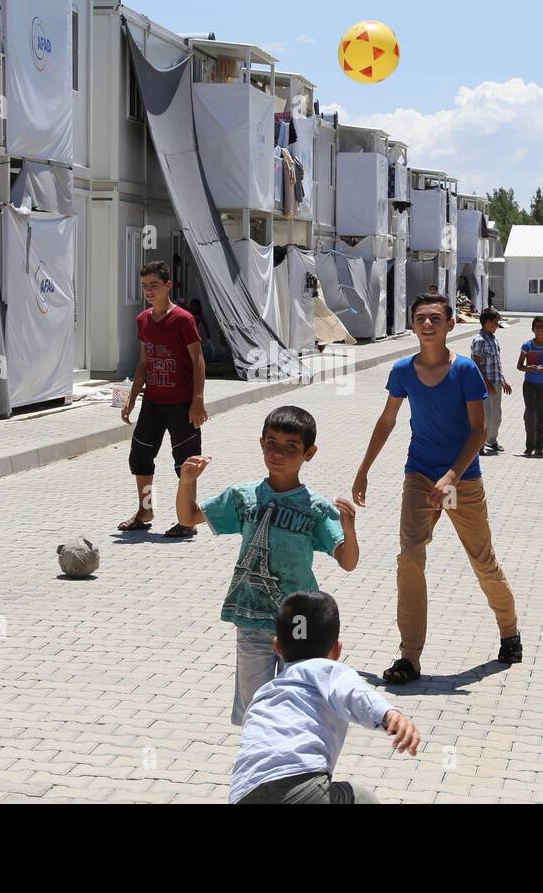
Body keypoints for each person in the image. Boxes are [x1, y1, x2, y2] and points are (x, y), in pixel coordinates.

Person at [352, 292, 522, 684]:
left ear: (450, 325)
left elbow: (479, 430)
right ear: (412, 325)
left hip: (461, 481)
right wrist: (363, 471)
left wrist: (451, 476)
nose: (427, 325)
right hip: (419, 477)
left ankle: (509, 630)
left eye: (435, 319)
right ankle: (409, 657)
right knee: (410, 558)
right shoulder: (402, 371)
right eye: (420, 318)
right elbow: (386, 422)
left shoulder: (465, 371)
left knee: (481, 559)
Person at [176, 406, 358, 723]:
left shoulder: (316, 508)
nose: (278, 452)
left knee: (299, 703)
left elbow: (347, 561)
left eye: (291, 446)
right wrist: (187, 480)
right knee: (255, 707)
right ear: (261, 444)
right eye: (272, 442)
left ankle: (299, 764)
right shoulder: (243, 496)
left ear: (309, 453)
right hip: (251, 617)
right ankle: (259, 764)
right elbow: (187, 517)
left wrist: (350, 529)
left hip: (300, 623)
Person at [230, 591, 420, 804]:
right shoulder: (329, 671)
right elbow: (354, 693)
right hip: (303, 786)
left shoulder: (263, 695)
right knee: (362, 799)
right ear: (337, 650)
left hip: (244, 794)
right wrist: (387, 714)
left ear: (278, 647)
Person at [119, 261, 208, 538]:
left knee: (186, 462)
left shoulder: (183, 319)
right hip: (153, 404)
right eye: (144, 286)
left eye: (154, 285)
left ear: (168, 285)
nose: (148, 291)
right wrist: (131, 398)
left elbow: (198, 360)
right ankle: (145, 511)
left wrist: (198, 400)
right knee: (140, 457)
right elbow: (144, 362)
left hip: (181, 405)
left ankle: (188, 519)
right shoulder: (143, 320)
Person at [471, 307, 511, 455]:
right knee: (485, 415)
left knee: (496, 415)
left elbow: (497, 363)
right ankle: (479, 444)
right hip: (483, 384)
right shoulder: (479, 340)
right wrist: (487, 385)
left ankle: (491, 440)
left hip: (496, 383)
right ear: (487, 322)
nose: (497, 326)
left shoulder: (493, 339)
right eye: (495, 323)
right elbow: (477, 365)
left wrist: (503, 381)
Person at [517, 315, 543, 457]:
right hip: (529, 385)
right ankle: (529, 446)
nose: (540, 330)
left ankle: (539, 448)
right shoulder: (527, 346)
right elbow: (519, 366)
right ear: (533, 329)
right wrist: (529, 367)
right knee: (531, 414)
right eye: (538, 327)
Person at [188, 298, 219, 365]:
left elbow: (204, 326)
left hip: (198, 339)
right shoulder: (190, 315)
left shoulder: (199, 317)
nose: (194, 307)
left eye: (195, 306)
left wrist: (208, 334)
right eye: (192, 305)